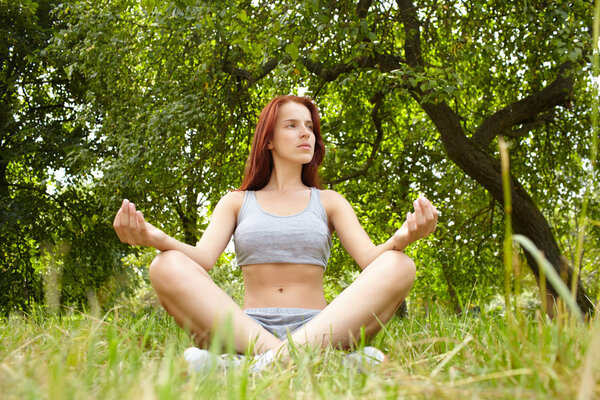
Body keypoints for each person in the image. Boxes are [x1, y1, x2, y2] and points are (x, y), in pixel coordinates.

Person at [113, 95, 438, 369]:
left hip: (322, 328)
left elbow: (371, 260)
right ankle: (313, 361)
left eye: (310, 127)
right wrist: (154, 238)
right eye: (292, 125)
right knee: (165, 264)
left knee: (400, 264)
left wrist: (403, 238)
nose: (306, 134)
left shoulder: (330, 202)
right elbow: (202, 260)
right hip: (248, 330)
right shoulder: (236, 202)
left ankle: (256, 363)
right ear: (268, 139)